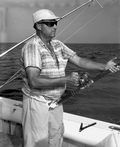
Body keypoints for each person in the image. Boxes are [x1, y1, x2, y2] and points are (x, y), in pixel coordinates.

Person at [21, 9, 120, 147]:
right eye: (50, 23)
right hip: (37, 103)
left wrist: (104, 66)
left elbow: (79, 61)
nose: (55, 26)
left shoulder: (58, 45)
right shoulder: (32, 47)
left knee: (56, 139)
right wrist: (66, 80)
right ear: (38, 26)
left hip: (56, 102)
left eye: (55, 22)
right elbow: (34, 81)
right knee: (37, 143)